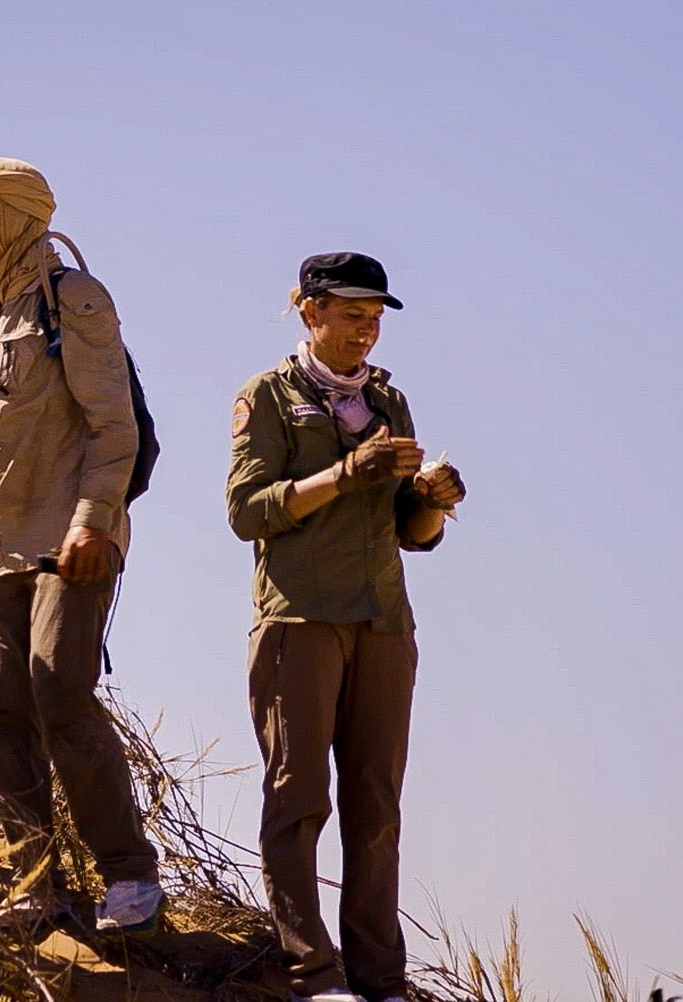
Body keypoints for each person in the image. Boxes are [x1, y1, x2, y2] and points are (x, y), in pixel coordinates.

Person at [225, 251, 466, 1002]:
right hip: (299, 618)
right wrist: (344, 475)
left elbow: (412, 534)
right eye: (351, 315)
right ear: (310, 311)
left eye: (374, 319)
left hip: (384, 623)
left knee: (376, 806)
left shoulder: (391, 405)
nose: (365, 331)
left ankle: (380, 979)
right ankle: (313, 973)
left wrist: (434, 497)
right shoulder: (268, 395)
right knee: (298, 799)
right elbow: (247, 512)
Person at [0, 156, 164, 937]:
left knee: (59, 692)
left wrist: (94, 519)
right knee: (1, 710)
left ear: (7, 213)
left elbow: (116, 428)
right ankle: (35, 883)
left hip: (72, 538)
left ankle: (130, 877)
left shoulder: (73, 298)